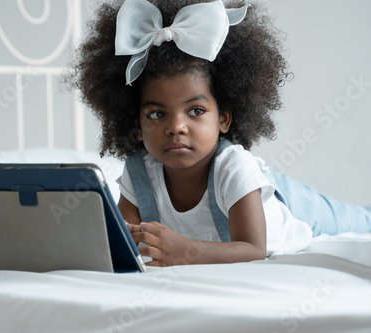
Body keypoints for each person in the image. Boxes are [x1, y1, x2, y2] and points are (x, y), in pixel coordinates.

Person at [64, 0, 371, 267]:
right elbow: (120, 244)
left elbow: (253, 249)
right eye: (157, 114)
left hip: (293, 206)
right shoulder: (139, 172)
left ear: (224, 118)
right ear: (137, 126)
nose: (176, 126)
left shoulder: (234, 167)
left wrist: (188, 251)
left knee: (359, 220)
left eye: (195, 111)